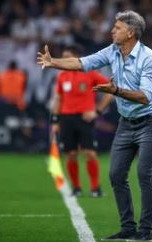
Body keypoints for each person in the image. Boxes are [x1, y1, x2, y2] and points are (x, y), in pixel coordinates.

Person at [38, 10, 152, 242]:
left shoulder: (149, 58)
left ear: (131, 32)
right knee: (116, 175)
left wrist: (115, 91)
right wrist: (53, 62)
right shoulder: (113, 51)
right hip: (126, 123)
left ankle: (145, 232)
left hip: (149, 122)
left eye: (117, 28)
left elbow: (146, 97)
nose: (112, 30)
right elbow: (81, 62)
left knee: (144, 174)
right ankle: (128, 228)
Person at [51, 44, 113, 197]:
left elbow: (110, 91)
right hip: (66, 119)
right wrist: (55, 121)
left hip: (85, 119)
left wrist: (97, 111)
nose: (64, 61)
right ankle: (76, 188)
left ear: (76, 58)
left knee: (90, 153)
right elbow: (58, 99)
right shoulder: (62, 76)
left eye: (67, 58)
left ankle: (95, 188)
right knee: (70, 154)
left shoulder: (90, 73)